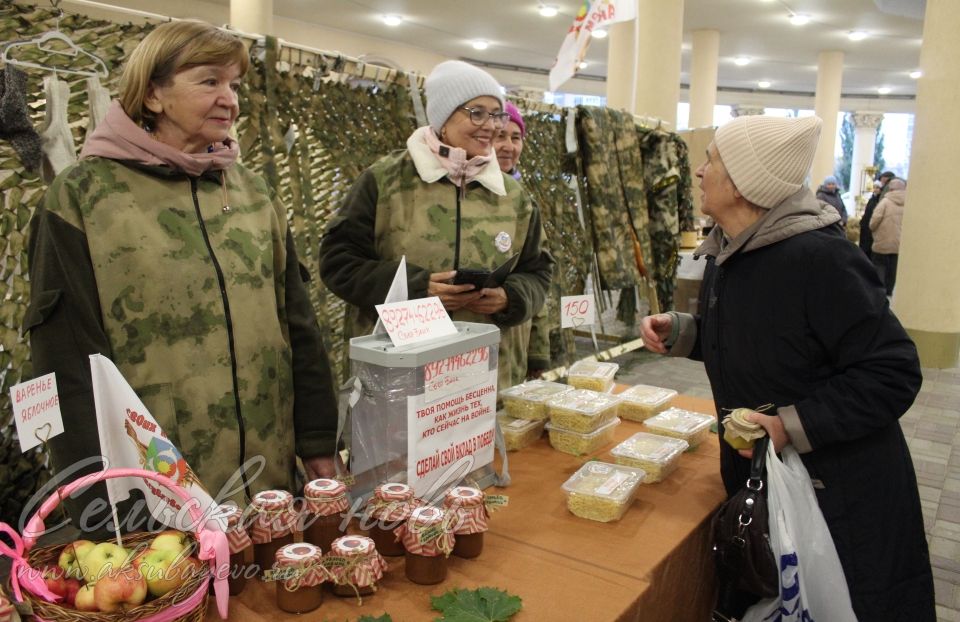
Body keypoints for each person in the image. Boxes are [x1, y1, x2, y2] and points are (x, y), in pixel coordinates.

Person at [26, 20, 341, 519]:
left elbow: (297, 324)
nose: (230, 99)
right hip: (158, 493)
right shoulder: (84, 197)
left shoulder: (252, 193)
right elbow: (63, 360)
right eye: (209, 81)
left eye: (234, 84)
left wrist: (319, 437)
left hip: (269, 480)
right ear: (153, 94)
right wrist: (96, 499)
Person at [639, 115, 934, 620]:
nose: (698, 171)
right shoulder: (735, 250)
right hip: (773, 480)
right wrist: (686, 330)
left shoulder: (820, 259)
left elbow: (892, 370)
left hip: (839, 493)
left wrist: (791, 425)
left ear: (741, 181)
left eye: (710, 158)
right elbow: (769, 340)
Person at [319, 61, 553, 391]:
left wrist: (509, 298)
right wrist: (417, 289)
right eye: (477, 113)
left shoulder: (513, 196)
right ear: (443, 117)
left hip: (486, 381)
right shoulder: (386, 181)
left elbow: (538, 272)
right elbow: (338, 263)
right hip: (401, 376)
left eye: (496, 114)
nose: (491, 126)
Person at [492, 102, 550, 376]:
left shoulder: (523, 200)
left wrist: (538, 355)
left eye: (516, 138)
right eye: (500, 136)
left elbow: (536, 278)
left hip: (514, 344)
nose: (508, 146)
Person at [869, 177, 906, 295]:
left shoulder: (885, 202)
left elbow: (874, 221)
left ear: (890, 188)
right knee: (893, 268)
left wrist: (873, 230)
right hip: (899, 242)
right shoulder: (908, 203)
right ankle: (889, 291)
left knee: (880, 266)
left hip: (883, 240)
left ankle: (879, 291)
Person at [859, 170, 896, 259]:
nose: (882, 186)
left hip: (878, 237)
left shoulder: (885, 201)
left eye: (884, 183)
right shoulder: (874, 198)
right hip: (868, 233)